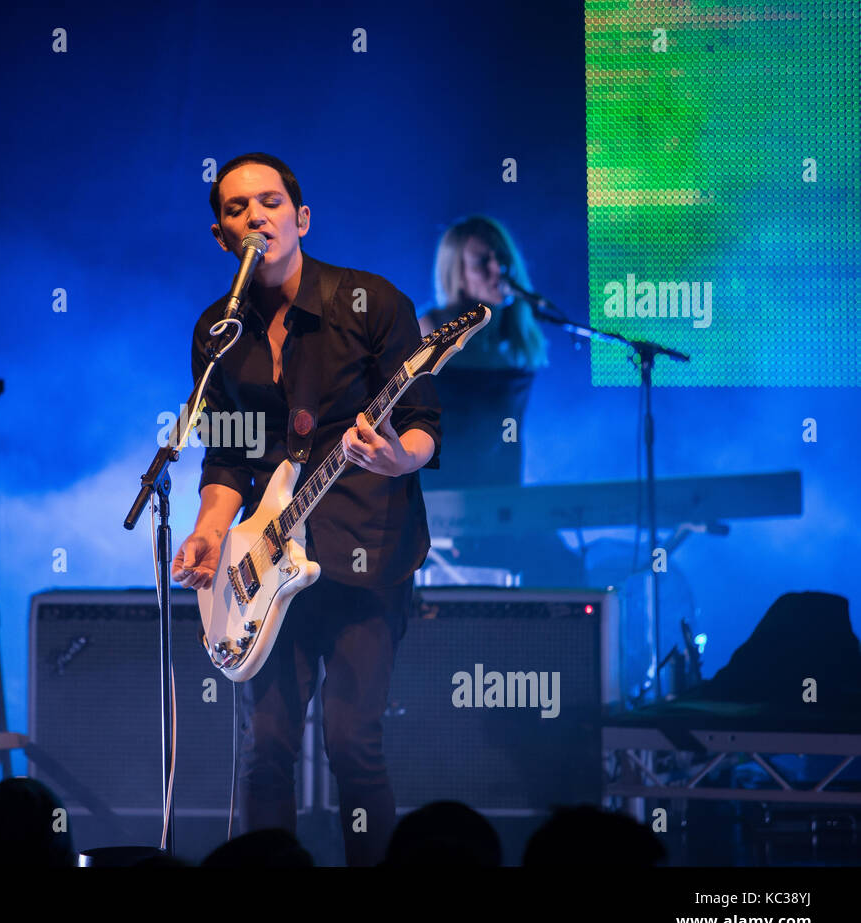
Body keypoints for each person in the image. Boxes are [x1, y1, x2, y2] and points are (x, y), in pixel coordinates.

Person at [172, 153, 442, 867]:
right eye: (236, 209)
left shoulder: (371, 301)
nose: (255, 215)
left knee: (354, 743)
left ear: (301, 217)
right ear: (220, 234)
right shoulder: (217, 332)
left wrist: (394, 456)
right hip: (263, 567)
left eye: (269, 202)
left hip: (364, 551)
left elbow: (421, 422)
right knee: (265, 751)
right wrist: (206, 531)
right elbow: (226, 456)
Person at [420, 215, 583, 587]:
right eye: (482, 261)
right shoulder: (431, 329)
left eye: (501, 258)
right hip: (441, 502)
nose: (498, 269)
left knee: (564, 569)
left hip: (503, 497)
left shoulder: (518, 336)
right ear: (456, 272)